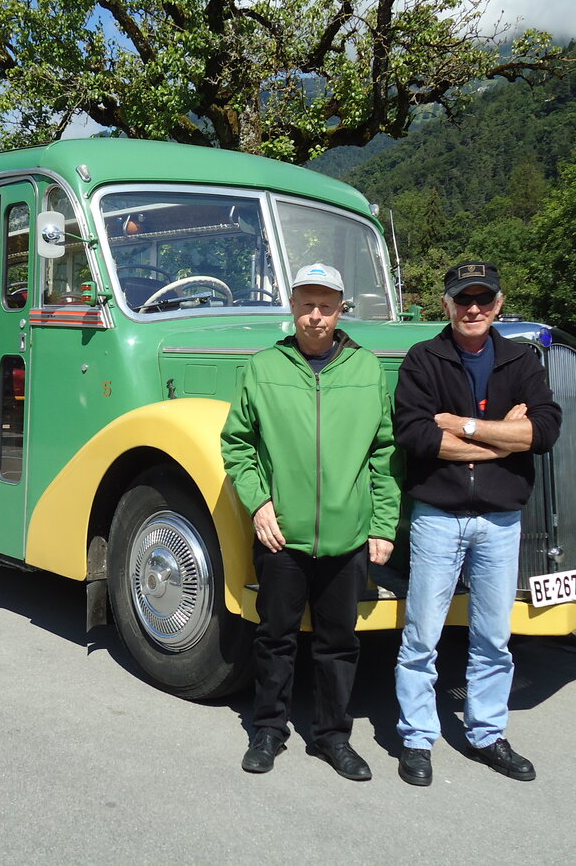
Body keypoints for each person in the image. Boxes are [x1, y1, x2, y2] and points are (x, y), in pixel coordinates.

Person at [222, 263, 400, 779]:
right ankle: (269, 730)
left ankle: (331, 737)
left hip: (347, 538)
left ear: (341, 309)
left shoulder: (367, 369)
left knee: (338, 642)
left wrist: (383, 526)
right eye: (306, 304)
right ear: (292, 307)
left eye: (325, 305)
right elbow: (238, 443)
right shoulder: (262, 367)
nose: (315, 316)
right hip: (282, 534)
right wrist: (258, 504)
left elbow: (384, 453)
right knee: (274, 636)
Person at [392, 262, 562, 786]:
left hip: (500, 520)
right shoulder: (424, 359)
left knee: (493, 637)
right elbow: (418, 437)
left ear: (498, 303)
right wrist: (504, 436)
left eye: (483, 300)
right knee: (421, 635)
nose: (472, 309)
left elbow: (545, 430)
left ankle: (487, 734)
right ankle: (416, 738)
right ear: (446, 304)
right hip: (438, 517)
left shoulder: (522, 359)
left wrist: (464, 426)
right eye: (462, 300)